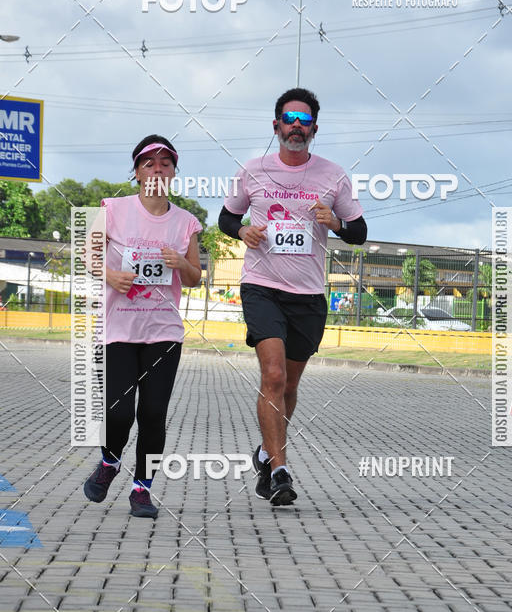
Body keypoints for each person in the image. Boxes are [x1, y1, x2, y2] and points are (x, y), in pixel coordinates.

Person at [219, 88, 367, 506]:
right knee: (274, 376)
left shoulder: (332, 175)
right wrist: (241, 230)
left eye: (304, 121)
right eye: (289, 119)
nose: (296, 127)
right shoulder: (253, 171)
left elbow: (359, 233)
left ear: (314, 129)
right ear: (276, 125)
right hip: (262, 286)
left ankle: (267, 454)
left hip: (307, 294)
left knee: (290, 385)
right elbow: (226, 217)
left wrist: (335, 221)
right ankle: (281, 471)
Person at [83, 135, 202, 517]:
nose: (157, 168)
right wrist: (111, 275)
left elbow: (196, 276)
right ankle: (109, 463)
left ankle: (142, 488)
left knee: (153, 413)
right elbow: (88, 255)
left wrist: (180, 263)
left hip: (163, 333)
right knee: (119, 414)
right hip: (118, 330)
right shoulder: (114, 209)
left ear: (174, 173)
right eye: (149, 163)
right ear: (136, 172)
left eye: (165, 163)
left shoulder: (185, 223)